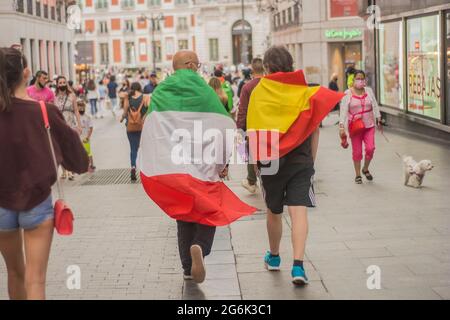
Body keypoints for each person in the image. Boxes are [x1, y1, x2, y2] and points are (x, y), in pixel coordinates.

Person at [138, 50, 254, 284]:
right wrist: (223, 163)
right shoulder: (205, 91)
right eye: (198, 65)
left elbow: (150, 128)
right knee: (209, 209)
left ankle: (187, 269)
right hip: (203, 166)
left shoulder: (160, 91)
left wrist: (152, 162)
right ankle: (200, 246)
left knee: (184, 216)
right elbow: (224, 126)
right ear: (191, 65)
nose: (198, 69)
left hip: (172, 166)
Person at [247, 46, 341, 286]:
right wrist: (311, 160)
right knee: (298, 211)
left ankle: (275, 257)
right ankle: (298, 266)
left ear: (267, 68)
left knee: (273, 210)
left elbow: (254, 129)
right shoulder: (304, 91)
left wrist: (256, 163)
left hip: (271, 161)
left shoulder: (260, 92)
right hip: (301, 159)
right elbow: (314, 129)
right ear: (290, 64)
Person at [0, 47, 89, 300]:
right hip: (37, 201)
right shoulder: (43, 111)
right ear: (26, 73)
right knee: (35, 280)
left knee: (14, 273)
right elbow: (79, 162)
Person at [339, 70, 382, 184]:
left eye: (362, 78)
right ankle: (358, 175)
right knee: (357, 152)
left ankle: (365, 168)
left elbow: (375, 104)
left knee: (370, 149)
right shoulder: (347, 93)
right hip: (355, 127)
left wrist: (378, 117)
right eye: (358, 79)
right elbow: (343, 111)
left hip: (369, 125)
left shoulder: (369, 91)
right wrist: (341, 126)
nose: (360, 81)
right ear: (353, 80)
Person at [237, 58, 264, 194]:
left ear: (252, 71)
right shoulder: (269, 85)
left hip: (252, 126)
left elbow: (243, 109)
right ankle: (257, 179)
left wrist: (240, 128)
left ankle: (251, 181)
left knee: (250, 153)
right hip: (269, 125)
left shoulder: (247, 87)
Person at [54, 76, 82, 181]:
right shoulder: (54, 97)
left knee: (69, 148)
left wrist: (79, 125)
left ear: (66, 83)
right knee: (60, 149)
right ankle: (64, 171)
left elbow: (76, 110)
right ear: (57, 84)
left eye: (63, 82)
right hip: (58, 126)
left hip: (70, 125)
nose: (62, 84)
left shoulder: (72, 96)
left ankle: (70, 171)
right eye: (60, 82)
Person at [120, 82, 149, 182]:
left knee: (133, 148)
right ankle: (145, 171)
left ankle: (133, 167)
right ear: (140, 87)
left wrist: (123, 117)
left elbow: (124, 111)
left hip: (130, 127)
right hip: (142, 127)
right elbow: (148, 110)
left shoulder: (128, 97)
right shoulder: (144, 97)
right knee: (144, 148)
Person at [78, 101, 95, 172]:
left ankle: (91, 165)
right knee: (79, 152)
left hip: (85, 137)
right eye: (80, 107)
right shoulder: (75, 116)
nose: (81, 109)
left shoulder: (87, 117)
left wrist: (88, 137)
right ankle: (83, 166)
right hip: (78, 138)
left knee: (88, 152)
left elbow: (91, 128)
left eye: (82, 107)